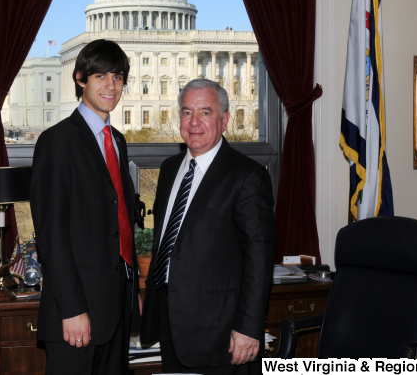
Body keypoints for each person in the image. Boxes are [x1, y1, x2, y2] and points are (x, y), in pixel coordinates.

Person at [140, 78, 275, 374]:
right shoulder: (169, 169)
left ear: (224, 120)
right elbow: (168, 243)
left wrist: (248, 328)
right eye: (187, 112)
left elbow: (259, 258)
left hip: (220, 333)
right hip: (169, 323)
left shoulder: (247, 176)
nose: (194, 122)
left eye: (205, 112)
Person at [29, 39, 140, 375]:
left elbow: (118, 222)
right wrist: (72, 309)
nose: (111, 86)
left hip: (116, 309)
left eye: (118, 77)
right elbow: (52, 235)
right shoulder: (56, 141)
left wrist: (132, 289)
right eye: (100, 76)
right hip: (76, 314)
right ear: (80, 79)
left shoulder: (116, 140)